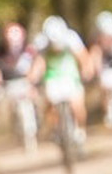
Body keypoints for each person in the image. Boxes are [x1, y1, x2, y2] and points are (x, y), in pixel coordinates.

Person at [31, 15, 93, 145]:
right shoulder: (42, 43)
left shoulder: (71, 38)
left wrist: (86, 70)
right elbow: (39, 63)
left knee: (77, 104)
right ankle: (56, 129)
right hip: (52, 77)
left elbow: (83, 57)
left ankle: (80, 130)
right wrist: (33, 78)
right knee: (49, 103)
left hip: (71, 75)